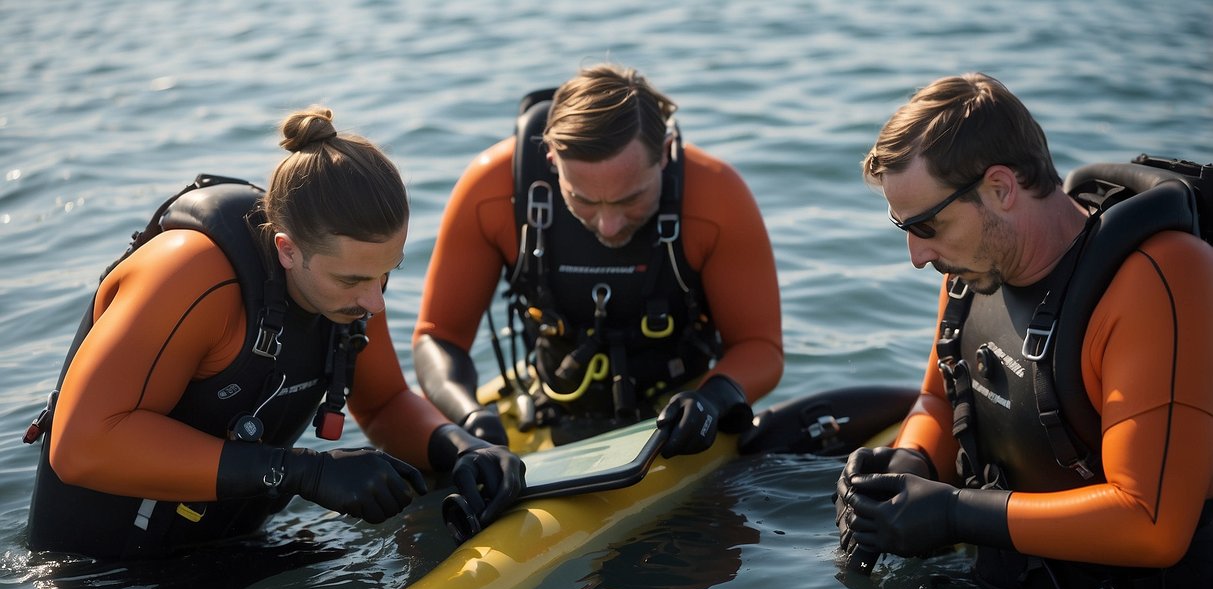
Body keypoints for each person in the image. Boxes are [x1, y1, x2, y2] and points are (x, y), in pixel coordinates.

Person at [25, 107, 524, 560]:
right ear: (287, 250)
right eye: (353, 280)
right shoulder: (192, 272)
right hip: (97, 577)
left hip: (234, 553)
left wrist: (461, 449)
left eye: (387, 273)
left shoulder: (351, 289)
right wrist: (305, 471)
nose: (376, 301)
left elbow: (387, 403)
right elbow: (80, 445)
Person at [835, 73, 1213, 589]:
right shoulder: (972, 264)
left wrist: (954, 514)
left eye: (926, 227)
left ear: (1001, 188)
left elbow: (1151, 522)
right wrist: (910, 461)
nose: (915, 256)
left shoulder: (1157, 281)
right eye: (903, 228)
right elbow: (938, 399)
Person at [412, 64, 783, 454]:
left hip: (681, 411)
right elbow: (438, 337)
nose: (608, 226)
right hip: (553, 401)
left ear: (666, 154)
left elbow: (760, 347)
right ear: (551, 157)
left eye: (630, 199)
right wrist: (470, 417)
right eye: (583, 199)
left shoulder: (719, 195)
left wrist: (712, 399)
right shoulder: (491, 188)